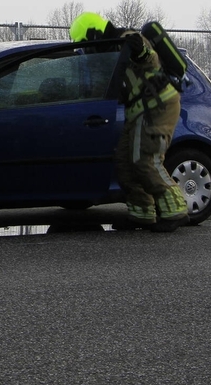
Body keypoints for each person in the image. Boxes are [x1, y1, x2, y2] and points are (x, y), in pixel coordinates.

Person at [69, 12, 189, 232]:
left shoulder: (129, 38)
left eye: (85, 44)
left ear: (94, 34)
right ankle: (141, 213)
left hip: (158, 105)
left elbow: (148, 58)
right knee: (124, 162)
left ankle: (175, 210)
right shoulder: (109, 52)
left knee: (145, 159)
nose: (87, 50)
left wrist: (140, 51)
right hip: (138, 111)